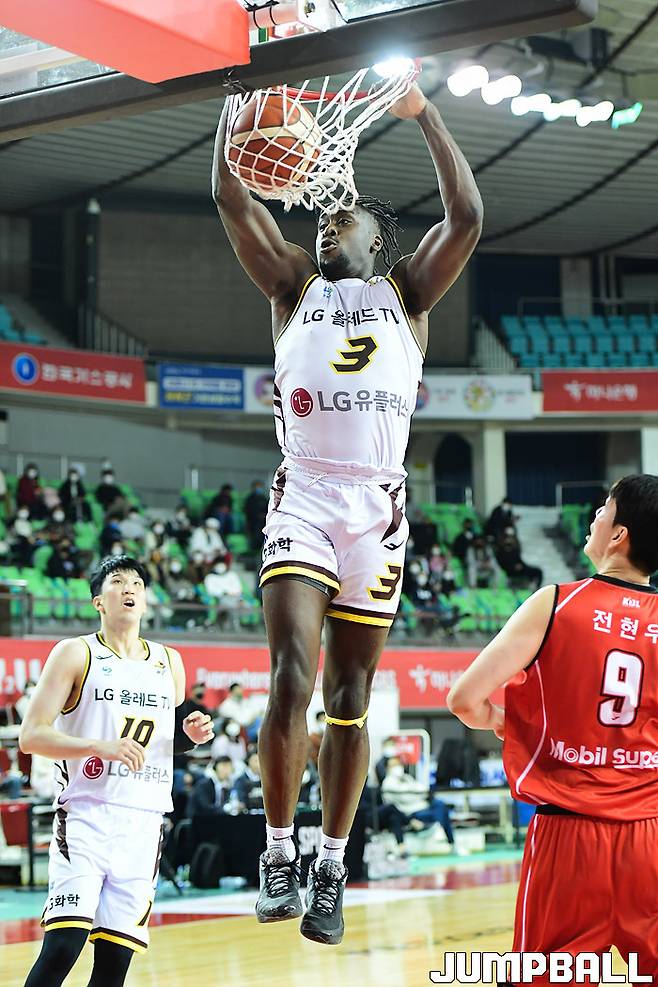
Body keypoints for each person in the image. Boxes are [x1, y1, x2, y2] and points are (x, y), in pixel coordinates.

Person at [213, 78, 482, 944]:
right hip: (306, 495)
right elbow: (229, 196)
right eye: (325, 219)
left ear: (379, 240)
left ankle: (332, 863)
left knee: (349, 696)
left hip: (377, 511)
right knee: (291, 675)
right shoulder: (293, 285)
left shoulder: (407, 295)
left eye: (347, 220)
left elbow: (468, 216)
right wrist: (237, 107)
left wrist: (426, 115)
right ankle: (278, 852)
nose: (331, 225)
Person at [446, 474, 658, 981]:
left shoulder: (556, 602)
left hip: (569, 834)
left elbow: (464, 700)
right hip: (650, 833)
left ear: (618, 535)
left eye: (603, 510)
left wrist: (503, 722)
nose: (594, 517)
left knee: (550, 974)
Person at [17, 554, 214, 987]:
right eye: (118, 582)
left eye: (137, 584)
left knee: (113, 965)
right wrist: (98, 746)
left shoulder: (170, 662)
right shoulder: (75, 653)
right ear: (98, 601)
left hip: (144, 823)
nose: (130, 589)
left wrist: (189, 736)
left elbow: (159, 742)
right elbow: (30, 736)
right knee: (63, 947)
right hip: (86, 816)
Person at [380, 755, 454, 847]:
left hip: (422, 807)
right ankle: (441, 830)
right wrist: (415, 793)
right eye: (394, 765)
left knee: (440, 804)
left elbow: (423, 790)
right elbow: (405, 798)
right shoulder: (388, 783)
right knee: (439, 812)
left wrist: (414, 793)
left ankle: (450, 841)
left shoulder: (407, 778)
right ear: (387, 768)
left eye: (398, 764)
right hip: (408, 814)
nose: (397, 767)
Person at [244, 479, 269, 552]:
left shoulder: (264, 498)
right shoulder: (250, 499)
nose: (259, 488)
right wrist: (257, 516)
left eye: (260, 486)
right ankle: (255, 548)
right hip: (253, 521)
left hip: (264, 521)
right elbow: (248, 511)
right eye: (257, 486)